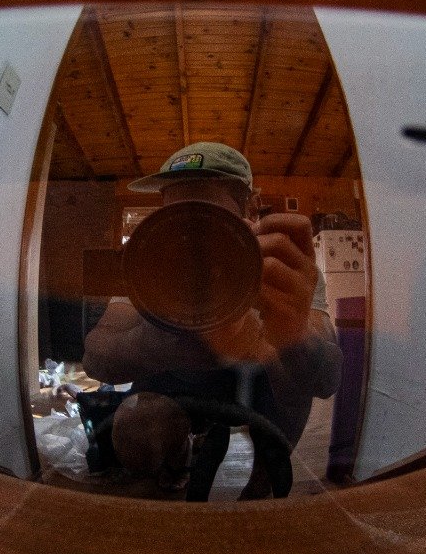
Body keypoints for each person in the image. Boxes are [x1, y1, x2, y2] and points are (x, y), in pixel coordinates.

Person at [81, 143, 342, 500]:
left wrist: (292, 333)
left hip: (250, 385)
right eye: (175, 214)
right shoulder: (152, 261)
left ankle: (262, 481)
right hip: (174, 381)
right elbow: (95, 357)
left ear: (249, 209)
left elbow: (324, 380)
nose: (193, 234)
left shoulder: (276, 264)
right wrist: (155, 345)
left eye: (208, 214)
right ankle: (178, 461)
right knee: (135, 429)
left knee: (291, 375)